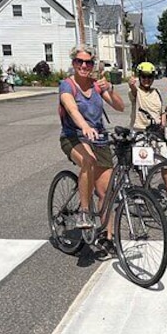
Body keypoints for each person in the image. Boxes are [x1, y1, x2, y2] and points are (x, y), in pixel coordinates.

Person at [58, 44, 125, 230]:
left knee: (106, 192)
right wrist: (85, 126)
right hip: (74, 137)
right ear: (74, 62)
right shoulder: (67, 85)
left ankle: (107, 238)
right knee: (88, 160)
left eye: (88, 62)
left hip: (98, 138)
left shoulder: (96, 85)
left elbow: (120, 107)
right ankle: (84, 212)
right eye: (80, 61)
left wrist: (110, 88)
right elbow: (71, 108)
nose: (84, 66)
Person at [128, 62, 164, 131]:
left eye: (150, 76)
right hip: (140, 132)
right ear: (139, 77)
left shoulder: (157, 92)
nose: (146, 79)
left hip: (156, 132)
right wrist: (131, 85)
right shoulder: (137, 92)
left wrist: (163, 126)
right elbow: (133, 91)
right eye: (143, 76)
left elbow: (162, 112)